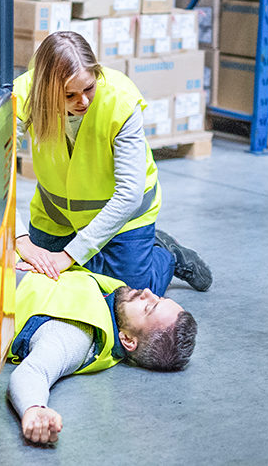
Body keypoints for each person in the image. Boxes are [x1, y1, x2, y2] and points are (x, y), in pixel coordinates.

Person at [13, 31, 211, 295]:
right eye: (69, 95)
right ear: (46, 90)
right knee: (39, 281)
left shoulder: (120, 100)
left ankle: (166, 253)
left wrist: (70, 255)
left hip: (125, 216)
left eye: (88, 88)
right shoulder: (25, 94)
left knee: (128, 295)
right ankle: (99, 258)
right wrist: (20, 239)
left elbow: (128, 195)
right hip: (57, 216)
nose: (82, 101)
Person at [7, 267, 198, 445]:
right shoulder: (115, 300)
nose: (147, 292)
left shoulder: (76, 336)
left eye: (148, 308)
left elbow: (33, 372)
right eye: (159, 298)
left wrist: (34, 408)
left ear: (128, 340)